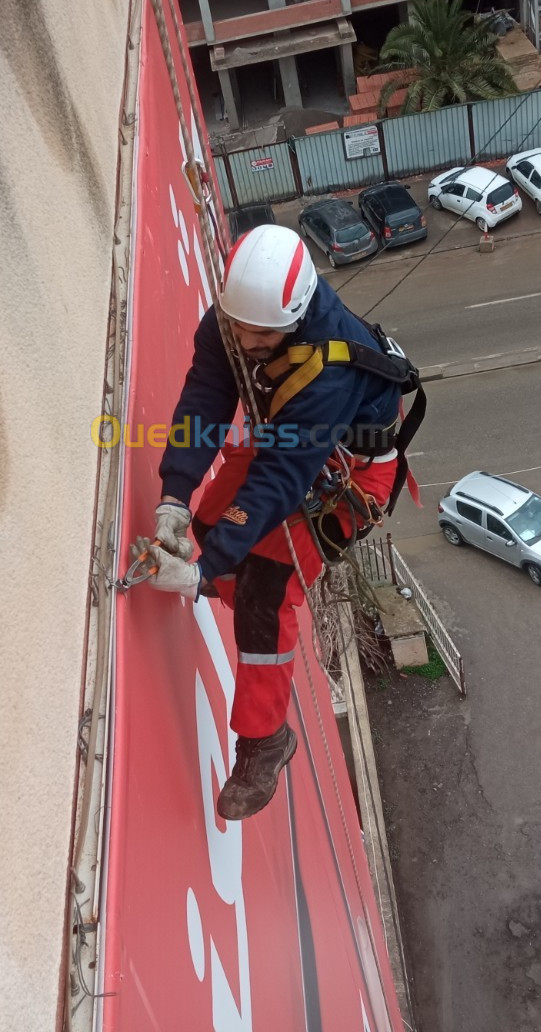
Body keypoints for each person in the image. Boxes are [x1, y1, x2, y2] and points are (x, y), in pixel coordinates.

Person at [142, 225, 416, 820]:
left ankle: (264, 741)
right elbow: (206, 397)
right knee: (215, 529)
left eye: (260, 335)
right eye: (236, 326)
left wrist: (200, 573)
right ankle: (226, 575)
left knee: (266, 589)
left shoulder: (331, 369)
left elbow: (281, 481)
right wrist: (175, 498)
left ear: (292, 319)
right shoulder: (239, 317)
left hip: (346, 474)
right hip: (286, 441)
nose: (244, 339)